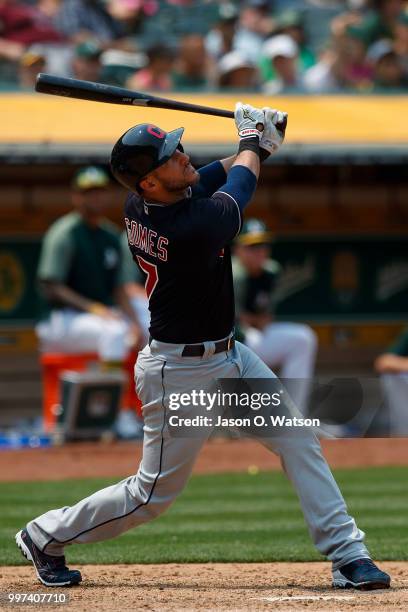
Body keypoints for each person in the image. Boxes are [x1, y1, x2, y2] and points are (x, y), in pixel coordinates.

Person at [16, 107, 390, 591]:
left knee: (298, 439)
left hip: (231, 357)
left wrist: (259, 146)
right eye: (171, 156)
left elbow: (210, 174)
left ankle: (348, 554)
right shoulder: (188, 226)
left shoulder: (145, 201)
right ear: (149, 182)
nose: (184, 157)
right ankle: (46, 533)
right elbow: (236, 192)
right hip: (179, 373)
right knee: (153, 495)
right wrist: (252, 142)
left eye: (178, 148)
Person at [35, 165, 142, 366]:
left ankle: (140, 394)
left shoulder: (110, 235)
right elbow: (51, 287)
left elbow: (119, 289)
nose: (95, 198)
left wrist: (136, 323)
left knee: (149, 324)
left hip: (100, 315)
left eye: (99, 191)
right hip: (61, 320)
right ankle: (108, 395)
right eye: (88, 192)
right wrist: (94, 308)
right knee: (114, 332)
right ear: (76, 197)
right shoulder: (65, 233)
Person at [233, 218, 317, 415]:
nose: (259, 252)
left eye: (263, 246)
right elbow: (230, 322)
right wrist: (249, 321)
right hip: (224, 346)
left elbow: (263, 316)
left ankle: (294, 417)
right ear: (238, 250)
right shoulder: (231, 273)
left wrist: (252, 320)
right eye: (252, 247)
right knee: (248, 340)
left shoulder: (270, 272)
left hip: (252, 336)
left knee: (303, 338)